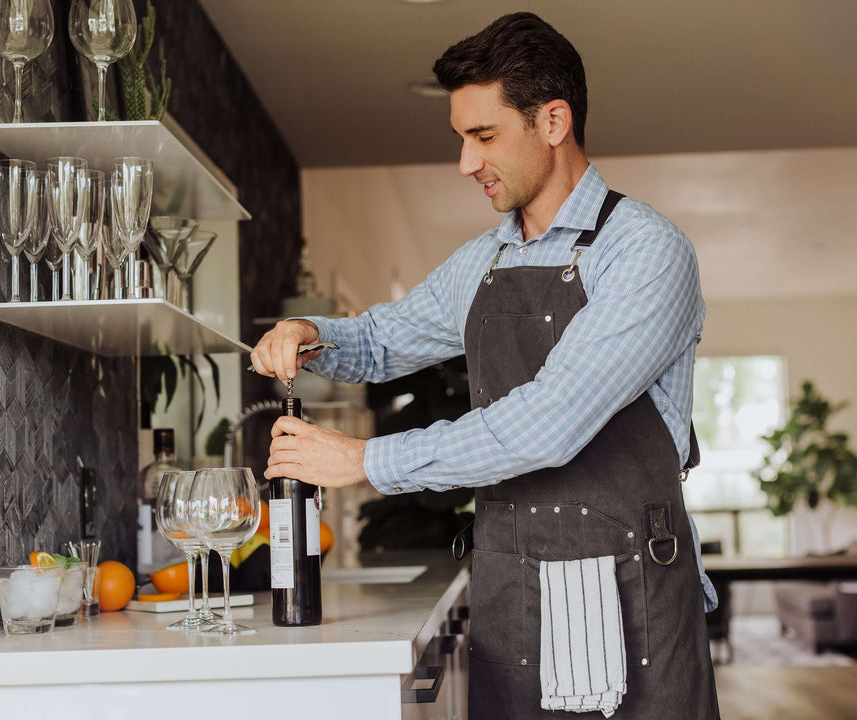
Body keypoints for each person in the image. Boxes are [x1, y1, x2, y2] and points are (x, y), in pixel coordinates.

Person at [251, 12, 719, 719]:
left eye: (485, 136)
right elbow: (383, 339)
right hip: (513, 592)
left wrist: (364, 460)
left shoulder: (646, 252)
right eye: (461, 139)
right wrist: (311, 333)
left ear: (553, 122)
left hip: (633, 603)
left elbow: (548, 421)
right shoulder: (484, 261)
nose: (466, 163)